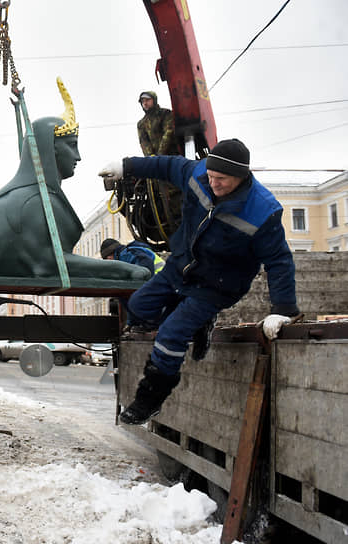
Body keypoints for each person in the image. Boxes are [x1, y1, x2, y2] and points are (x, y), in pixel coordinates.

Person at [98, 138, 300, 425]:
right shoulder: (199, 173)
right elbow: (166, 165)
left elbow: (279, 260)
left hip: (216, 285)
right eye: (212, 176)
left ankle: (149, 400)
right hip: (180, 267)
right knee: (139, 308)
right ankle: (197, 323)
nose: (214, 183)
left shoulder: (262, 211)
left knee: (171, 334)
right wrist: (126, 166)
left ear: (241, 177)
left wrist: (283, 308)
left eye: (222, 180)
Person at [100, 238, 165, 328]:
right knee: (126, 294)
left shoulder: (127, 253)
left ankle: (149, 324)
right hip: (162, 282)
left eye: (107, 259)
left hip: (161, 282)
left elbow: (147, 265)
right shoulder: (129, 253)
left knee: (124, 294)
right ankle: (141, 324)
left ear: (110, 256)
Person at [137, 91, 177, 157]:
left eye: (147, 100)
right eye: (142, 101)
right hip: (156, 160)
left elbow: (169, 133)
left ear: (154, 100)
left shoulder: (165, 113)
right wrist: (151, 157)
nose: (145, 103)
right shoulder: (141, 124)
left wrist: (160, 154)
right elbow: (144, 142)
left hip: (173, 155)